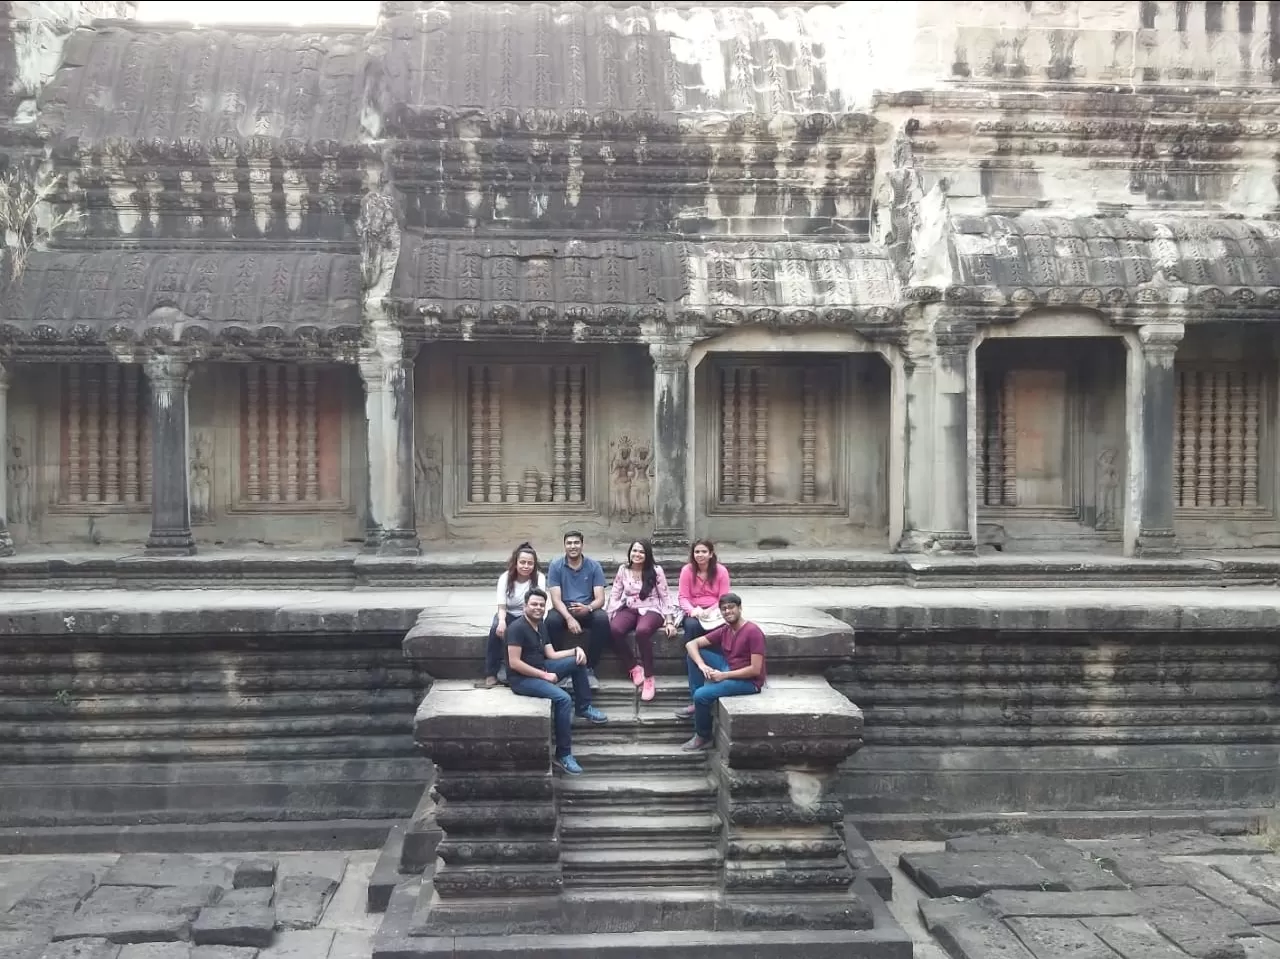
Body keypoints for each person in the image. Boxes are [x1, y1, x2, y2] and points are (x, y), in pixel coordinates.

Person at [506, 587, 608, 775]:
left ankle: (584, 707)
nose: (538, 608)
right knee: (563, 699)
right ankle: (563, 754)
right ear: (524, 607)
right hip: (522, 679)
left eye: (541, 605)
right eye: (534, 604)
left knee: (577, 663)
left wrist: (575, 650)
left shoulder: (540, 624)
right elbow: (514, 663)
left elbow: (551, 654)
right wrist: (544, 675)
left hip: (543, 666)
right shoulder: (516, 628)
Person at [677, 592, 766, 751]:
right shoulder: (726, 630)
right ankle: (698, 706)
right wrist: (702, 665)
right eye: (723, 609)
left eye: (731, 607)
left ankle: (703, 736)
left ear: (740, 608)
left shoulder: (753, 632)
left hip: (748, 682)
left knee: (701, 696)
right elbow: (691, 644)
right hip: (729, 666)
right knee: (694, 655)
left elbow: (755, 670)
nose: (727, 612)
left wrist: (724, 675)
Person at [606, 539, 676, 702]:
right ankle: (633, 667)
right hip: (630, 607)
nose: (637, 555)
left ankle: (649, 677)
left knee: (642, 631)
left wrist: (670, 620)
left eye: (641, 552)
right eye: (634, 551)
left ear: (647, 554)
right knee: (614, 630)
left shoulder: (656, 570)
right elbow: (615, 593)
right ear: (630, 553)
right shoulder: (623, 570)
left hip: (652, 608)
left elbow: (665, 595)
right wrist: (610, 613)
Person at [546, 530, 610, 690]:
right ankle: (560, 666)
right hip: (564, 609)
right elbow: (555, 599)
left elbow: (600, 599)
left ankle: (590, 667)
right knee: (551, 620)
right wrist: (569, 618)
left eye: (576, 543)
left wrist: (587, 608)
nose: (572, 546)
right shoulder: (556, 566)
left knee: (602, 619)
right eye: (569, 543)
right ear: (564, 546)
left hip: (587, 608)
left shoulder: (594, 566)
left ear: (582, 545)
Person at [480, 542, 546, 688]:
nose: (526, 566)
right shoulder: (505, 578)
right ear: (515, 563)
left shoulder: (539, 578)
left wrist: (522, 625)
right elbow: (501, 606)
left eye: (530, 563)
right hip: (508, 613)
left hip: (530, 615)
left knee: (536, 630)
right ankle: (491, 672)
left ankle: (536, 667)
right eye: (522, 562)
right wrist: (502, 621)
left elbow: (539, 604)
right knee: (496, 628)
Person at [677, 539, 732, 643]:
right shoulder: (686, 570)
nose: (700, 555)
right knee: (692, 626)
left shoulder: (721, 571)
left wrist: (709, 611)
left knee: (721, 628)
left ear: (711, 554)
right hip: (694, 611)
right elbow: (683, 597)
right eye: (697, 552)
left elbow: (724, 599)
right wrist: (692, 611)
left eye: (704, 552)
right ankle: (692, 656)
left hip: (715, 610)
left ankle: (714, 656)